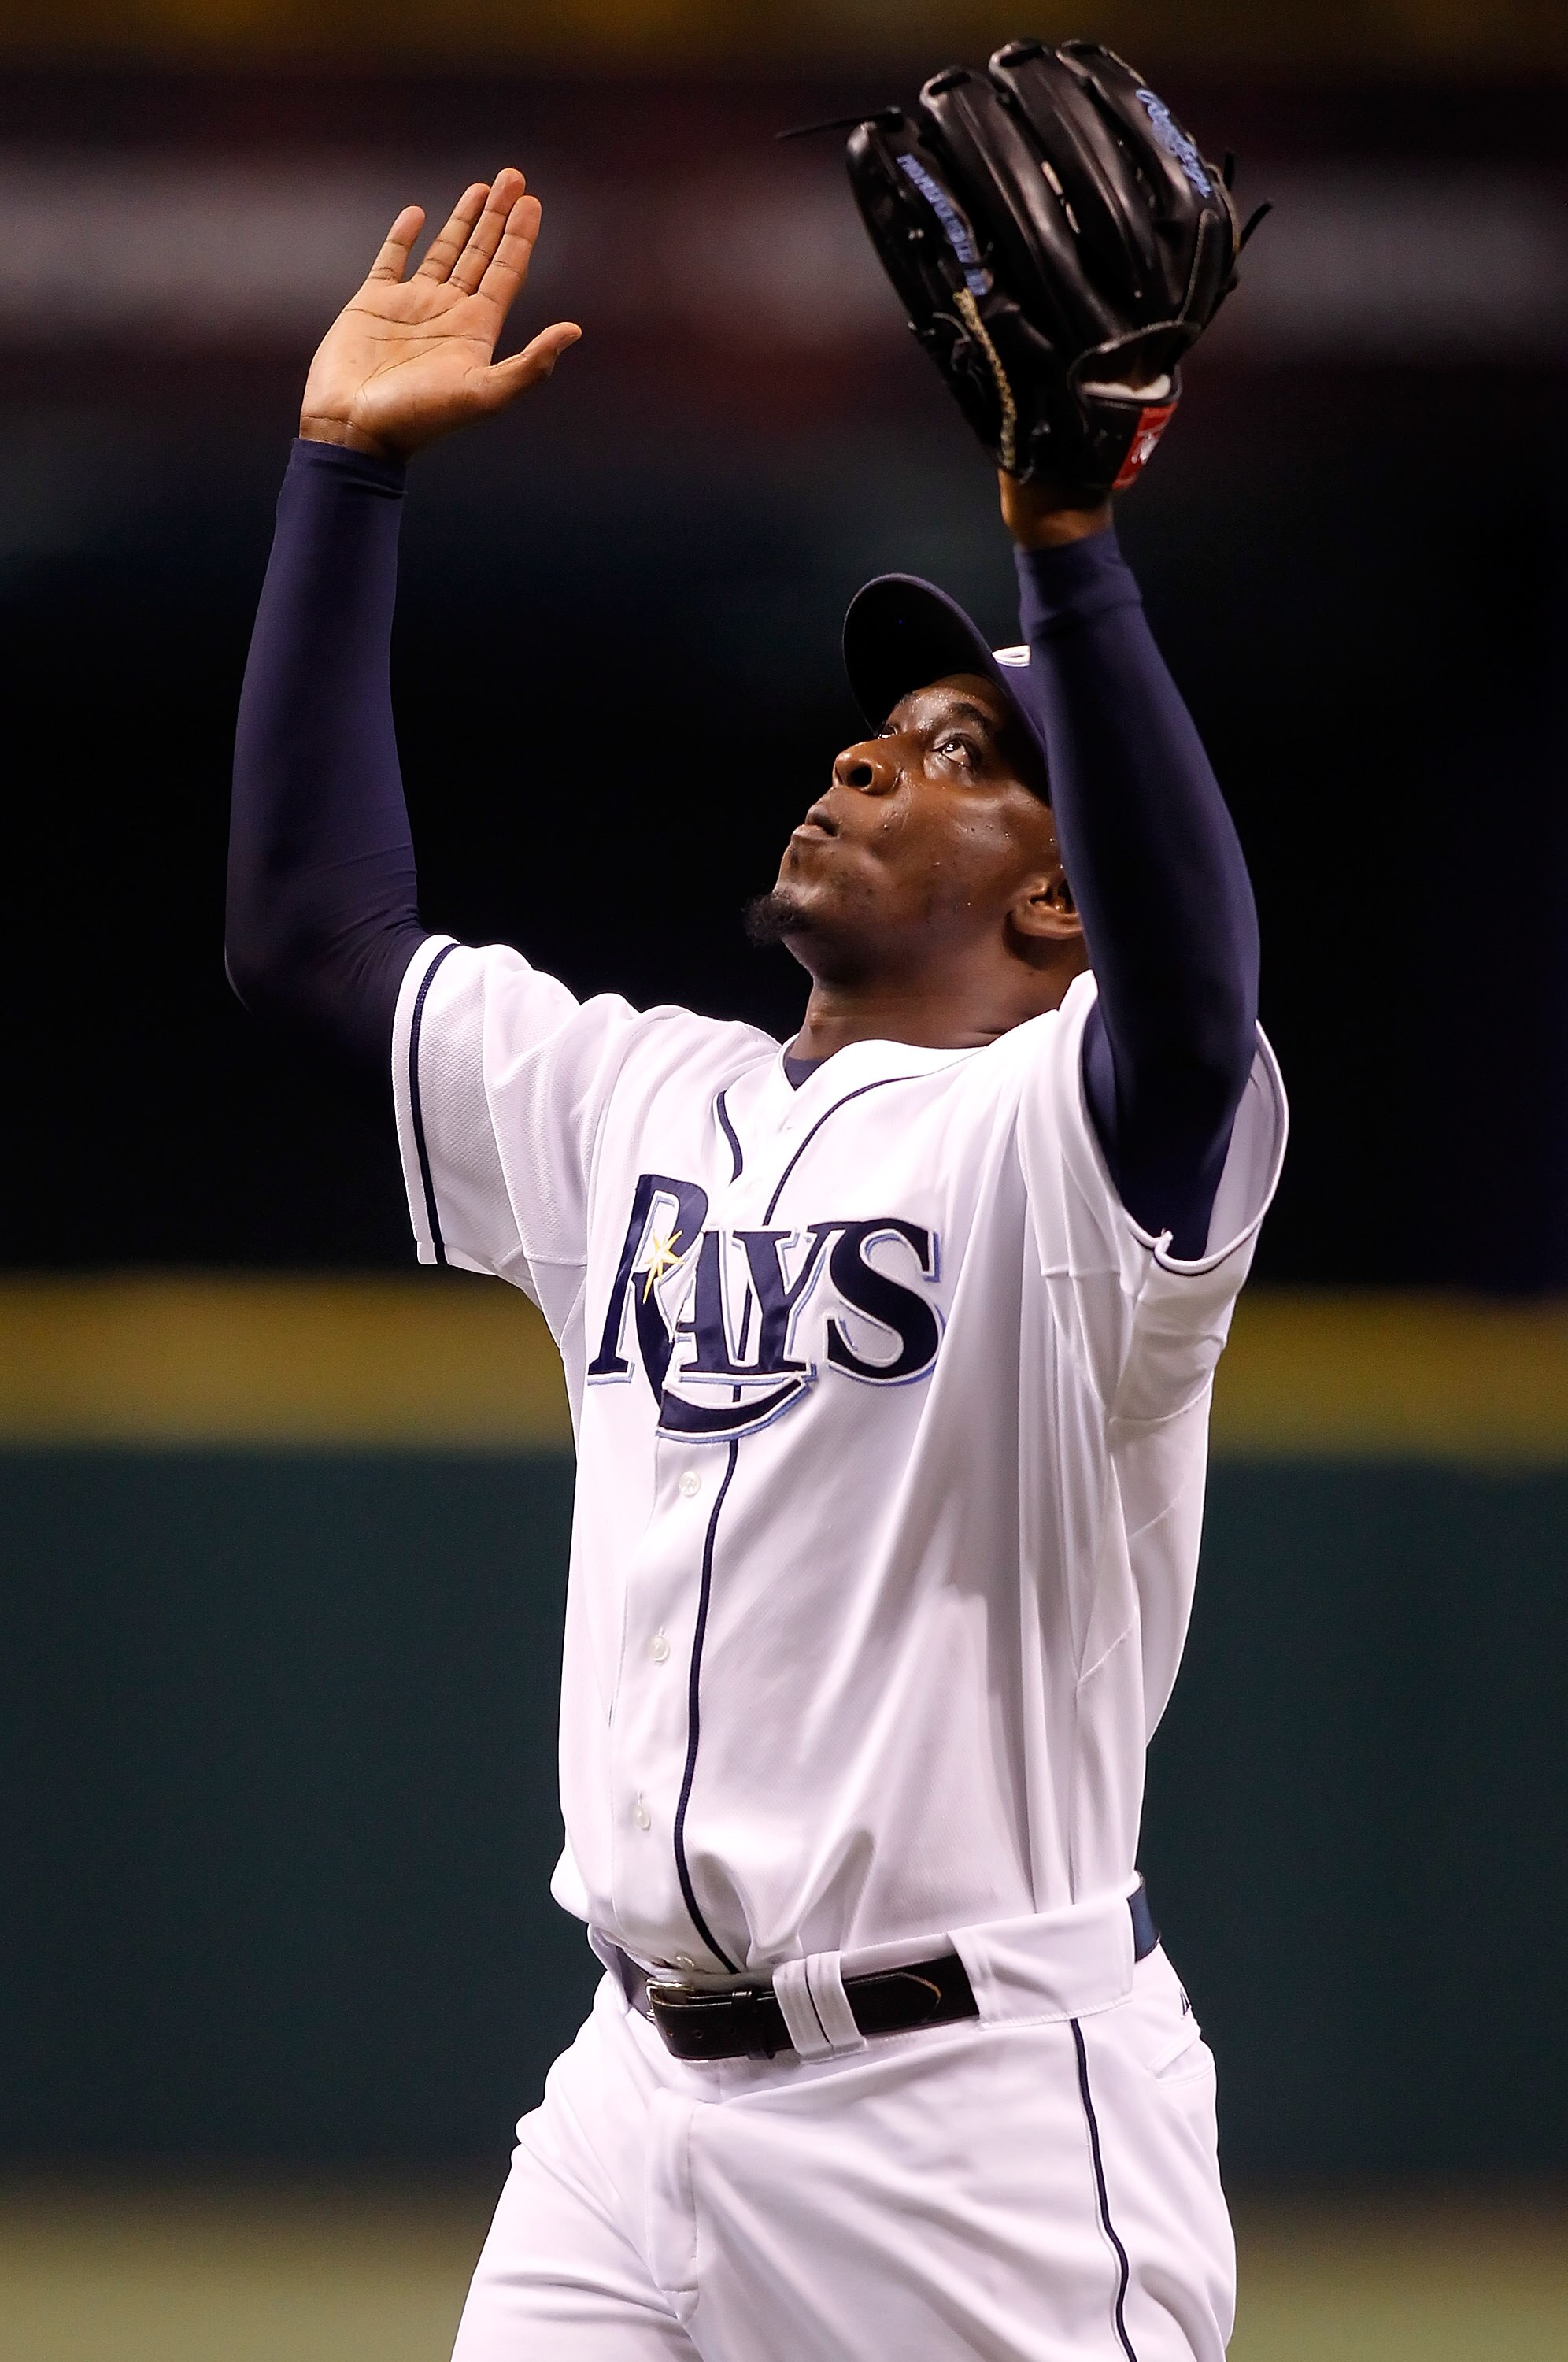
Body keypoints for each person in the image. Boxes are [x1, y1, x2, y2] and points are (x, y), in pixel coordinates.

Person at [227, 168, 1285, 2362]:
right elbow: (311, 945)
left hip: (976, 2123)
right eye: (877, 731)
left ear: (1066, 905)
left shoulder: (1079, 1151)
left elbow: (1192, 1009)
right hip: (631, 2105)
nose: (869, 755)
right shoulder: (633, 1105)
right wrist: (338, 480)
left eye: (962, 761)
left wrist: (1069, 548)